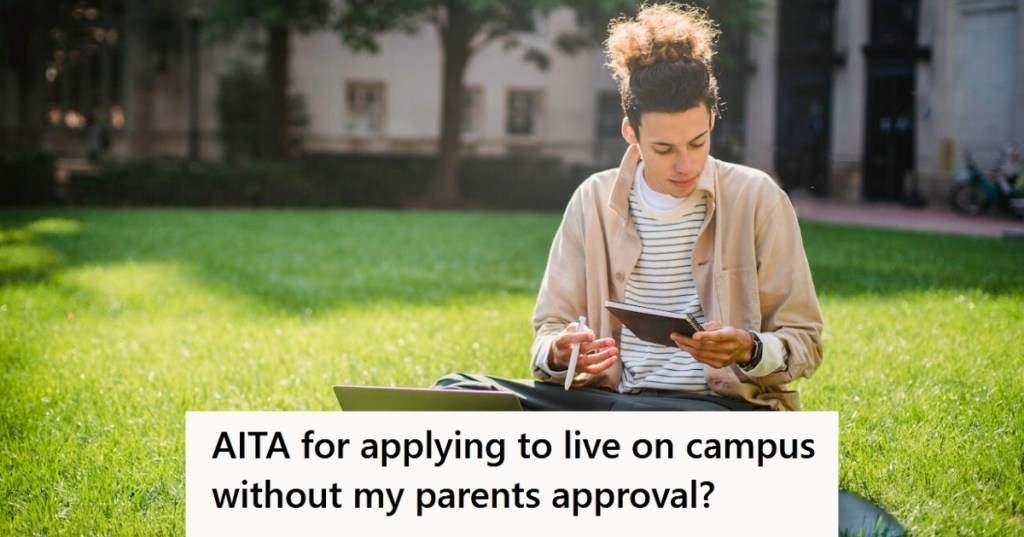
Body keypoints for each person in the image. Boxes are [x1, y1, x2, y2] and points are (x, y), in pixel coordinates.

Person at [437, 3, 822, 411]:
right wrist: (560, 353)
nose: (685, 164)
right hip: (610, 401)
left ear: (711, 120)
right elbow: (548, 331)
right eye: (663, 148)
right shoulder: (593, 200)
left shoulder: (757, 197)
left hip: (716, 409)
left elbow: (805, 342)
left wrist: (750, 349)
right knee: (457, 388)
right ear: (630, 132)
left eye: (696, 143)